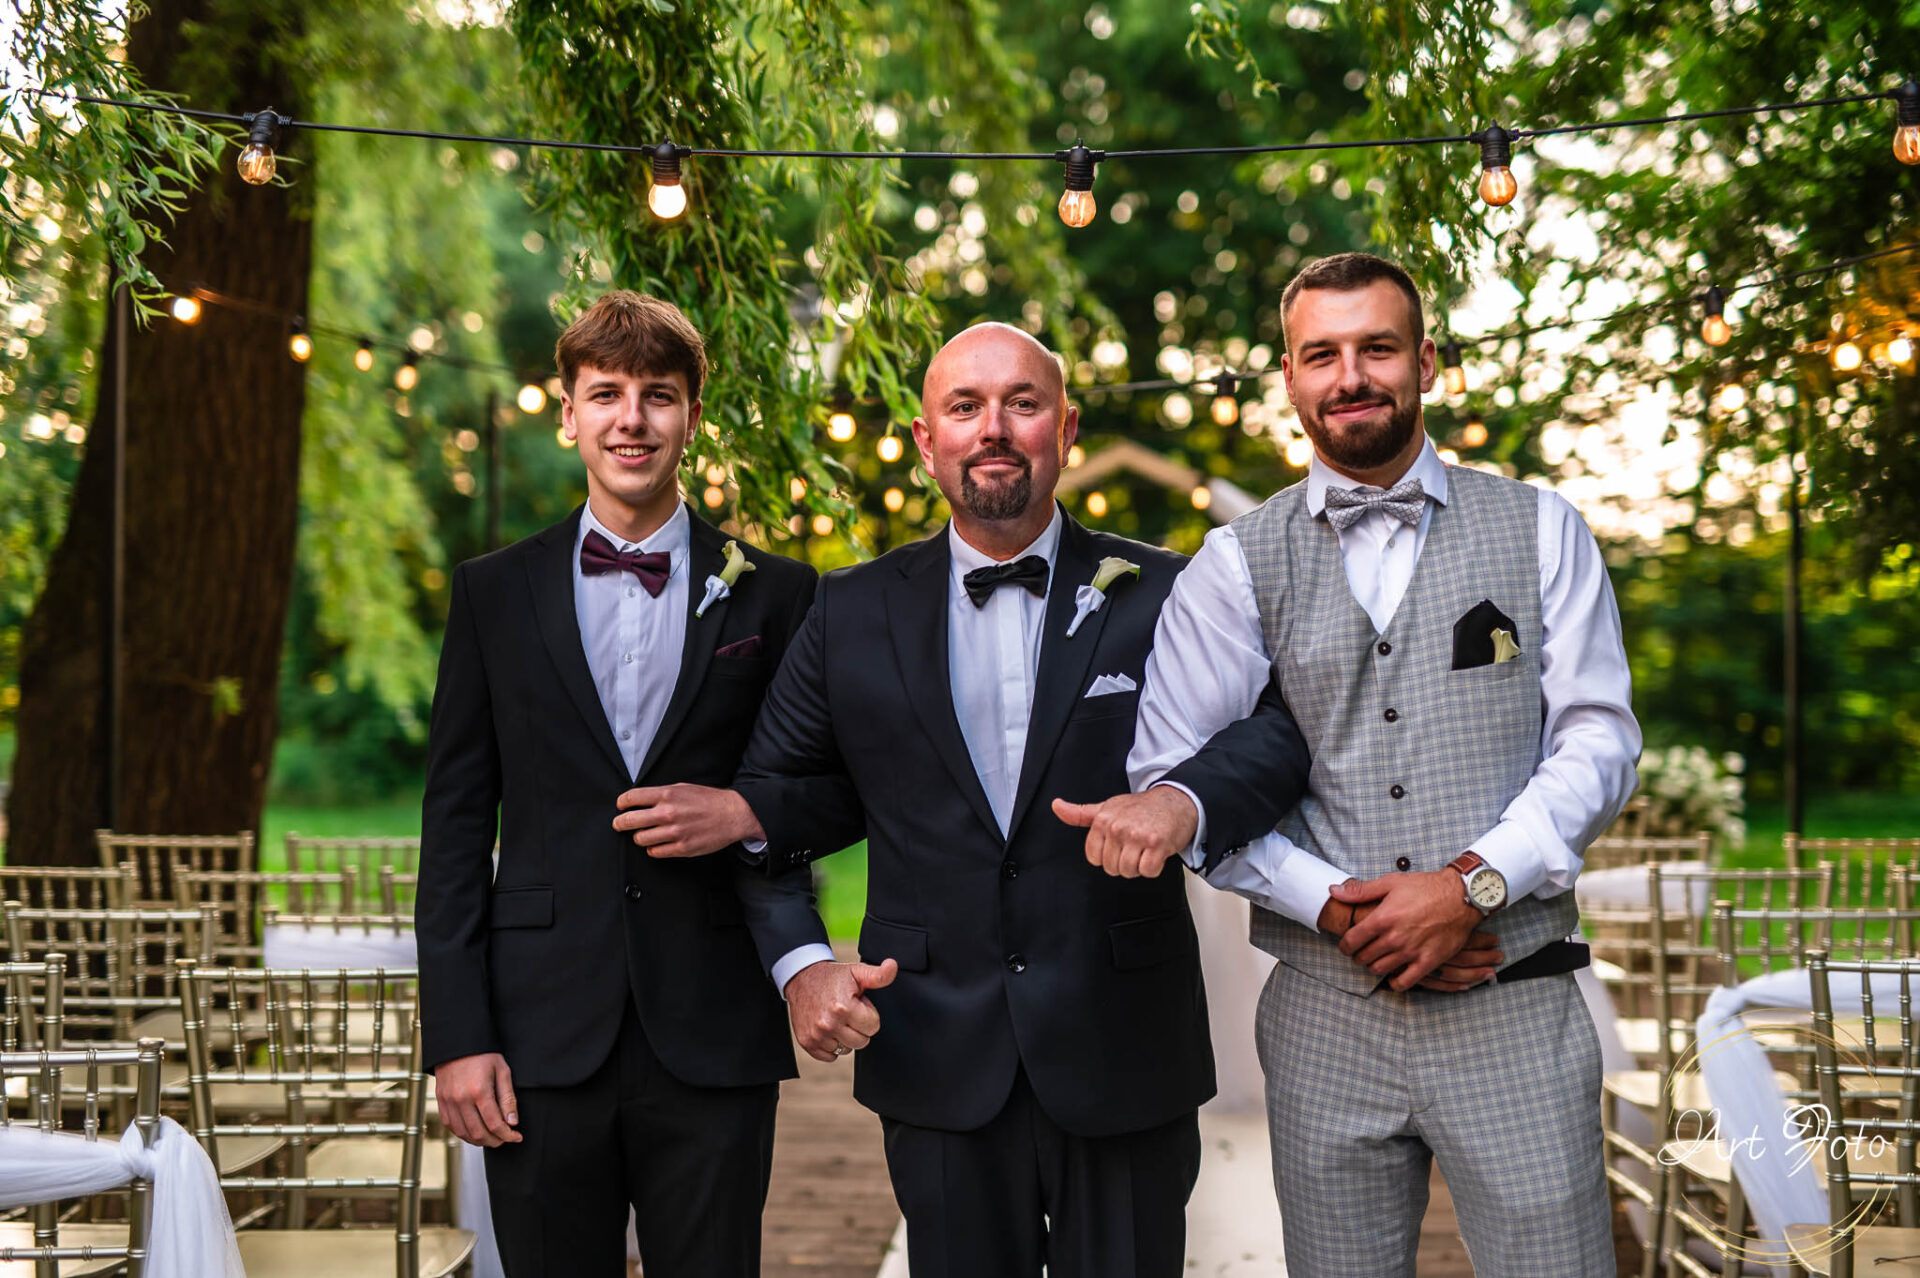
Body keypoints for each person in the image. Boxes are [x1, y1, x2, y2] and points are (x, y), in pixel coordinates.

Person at [618, 321, 1309, 1277]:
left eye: (1022, 404)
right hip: (930, 1049)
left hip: (1124, 1046)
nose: (994, 428)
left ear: (1065, 429)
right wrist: (804, 968)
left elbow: (1276, 734)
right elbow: (764, 805)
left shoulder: (1167, 589)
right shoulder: (850, 609)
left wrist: (1184, 802)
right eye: (965, 407)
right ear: (925, 439)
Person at [1061, 252, 1640, 1278]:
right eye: (1321, 354)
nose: (1351, 376)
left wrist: (1471, 885)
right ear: (1289, 376)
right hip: (1325, 1021)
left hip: (1514, 996)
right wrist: (1334, 907)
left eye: (1377, 348)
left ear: (1426, 361)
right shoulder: (1234, 565)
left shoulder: (1542, 528)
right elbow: (1175, 778)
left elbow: (1598, 741)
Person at [416, 290, 829, 1278]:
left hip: (716, 1025)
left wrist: (746, 810)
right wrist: (458, 1038)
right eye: (605, 394)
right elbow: (455, 826)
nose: (631, 419)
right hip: (537, 1036)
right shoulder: (492, 592)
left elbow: (842, 787)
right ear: (568, 414)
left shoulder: (780, 592)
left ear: (693, 415)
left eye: (658, 395)